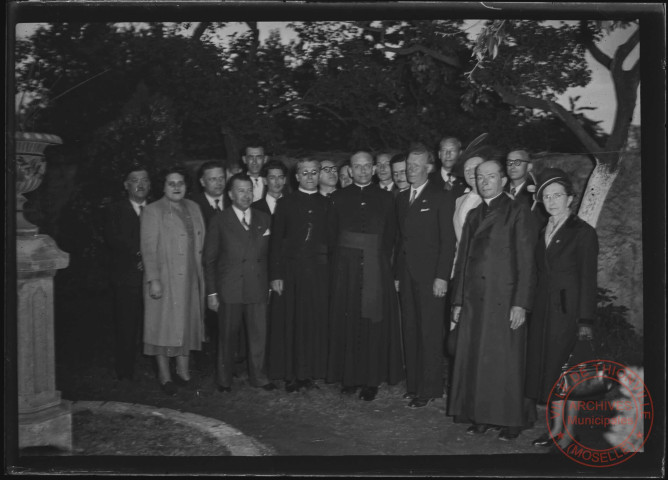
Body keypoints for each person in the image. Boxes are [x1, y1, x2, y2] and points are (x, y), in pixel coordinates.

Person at [448, 158, 538, 440]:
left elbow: (527, 262)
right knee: (478, 359)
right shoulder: (474, 214)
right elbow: (463, 260)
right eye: (480, 177)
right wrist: (458, 301)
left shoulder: (517, 211)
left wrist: (521, 303)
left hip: (504, 299)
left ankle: (512, 420)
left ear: (502, 180)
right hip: (475, 301)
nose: (485, 182)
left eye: (491, 177)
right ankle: (481, 415)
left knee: (507, 361)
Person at [524, 168, 598, 450]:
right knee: (549, 372)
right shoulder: (544, 230)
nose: (552, 201)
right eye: (546, 196)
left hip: (568, 315)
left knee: (567, 373)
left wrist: (585, 321)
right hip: (544, 313)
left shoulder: (583, 233)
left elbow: (588, 280)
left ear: (570, 199)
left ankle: (567, 434)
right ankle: (555, 431)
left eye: (558, 195)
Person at [327, 151, 404, 401]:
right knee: (349, 321)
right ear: (350, 170)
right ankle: (349, 378)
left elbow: (392, 237)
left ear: (373, 169)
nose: (361, 171)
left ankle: (371, 380)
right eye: (356, 167)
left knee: (372, 323)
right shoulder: (337, 198)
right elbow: (331, 236)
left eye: (366, 166)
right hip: (345, 270)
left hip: (376, 267)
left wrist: (386, 268)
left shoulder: (386, 198)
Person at [203, 173, 277, 393]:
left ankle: (259, 377)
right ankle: (224, 380)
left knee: (258, 335)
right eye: (241, 190)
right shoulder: (219, 220)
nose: (246, 195)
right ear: (230, 194)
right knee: (227, 336)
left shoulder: (264, 218)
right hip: (230, 288)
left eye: (249, 190)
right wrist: (212, 292)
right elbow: (210, 259)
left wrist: (270, 283)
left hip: (257, 286)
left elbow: (270, 255)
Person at [395, 147, 457, 408]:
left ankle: (430, 388)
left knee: (430, 332)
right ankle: (414, 384)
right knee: (410, 329)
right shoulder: (401, 198)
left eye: (416, 165)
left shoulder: (441, 197)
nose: (410, 169)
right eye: (409, 164)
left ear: (429, 168)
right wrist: (398, 274)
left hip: (431, 277)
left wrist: (442, 277)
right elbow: (401, 241)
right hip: (407, 276)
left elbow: (448, 241)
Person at [141, 165, 206, 395]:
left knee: (187, 324)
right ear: (163, 186)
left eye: (181, 183)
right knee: (162, 326)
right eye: (172, 183)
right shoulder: (153, 211)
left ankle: (183, 371)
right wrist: (154, 280)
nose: (177, 187)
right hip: (166, 278)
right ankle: (165, 375)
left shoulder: (194, 207)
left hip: (191, 278)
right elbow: (148, 249)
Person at [267, 158, 330, 391]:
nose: (310, 176)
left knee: (313, 322)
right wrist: (276, 274)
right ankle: (291, 374)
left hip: (317, 273)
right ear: (297, 176)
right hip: (291, 273)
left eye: (314, 172)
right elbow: (276, 242)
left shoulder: (327, 203)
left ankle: (310, 373)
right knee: (291, 322)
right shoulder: (286, 203)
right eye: (305, 173)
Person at [104, 164, 151, 381]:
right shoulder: (114, 210)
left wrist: (151, 261)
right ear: (126, 185)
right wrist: (140, 256)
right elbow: (114, 240)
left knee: (154, 322)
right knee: (126, 323)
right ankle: (125, 370)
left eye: (144, 180)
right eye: (135, 180)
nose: (140, 184)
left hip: (153, 277)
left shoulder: (158, 209)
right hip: (127, 276)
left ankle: (156, 364)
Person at [505, 148, 548, 229]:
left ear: (529, 167)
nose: (512, 166)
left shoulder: (537, 194)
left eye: (517, 162)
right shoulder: (500, 190)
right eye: (509, 162)